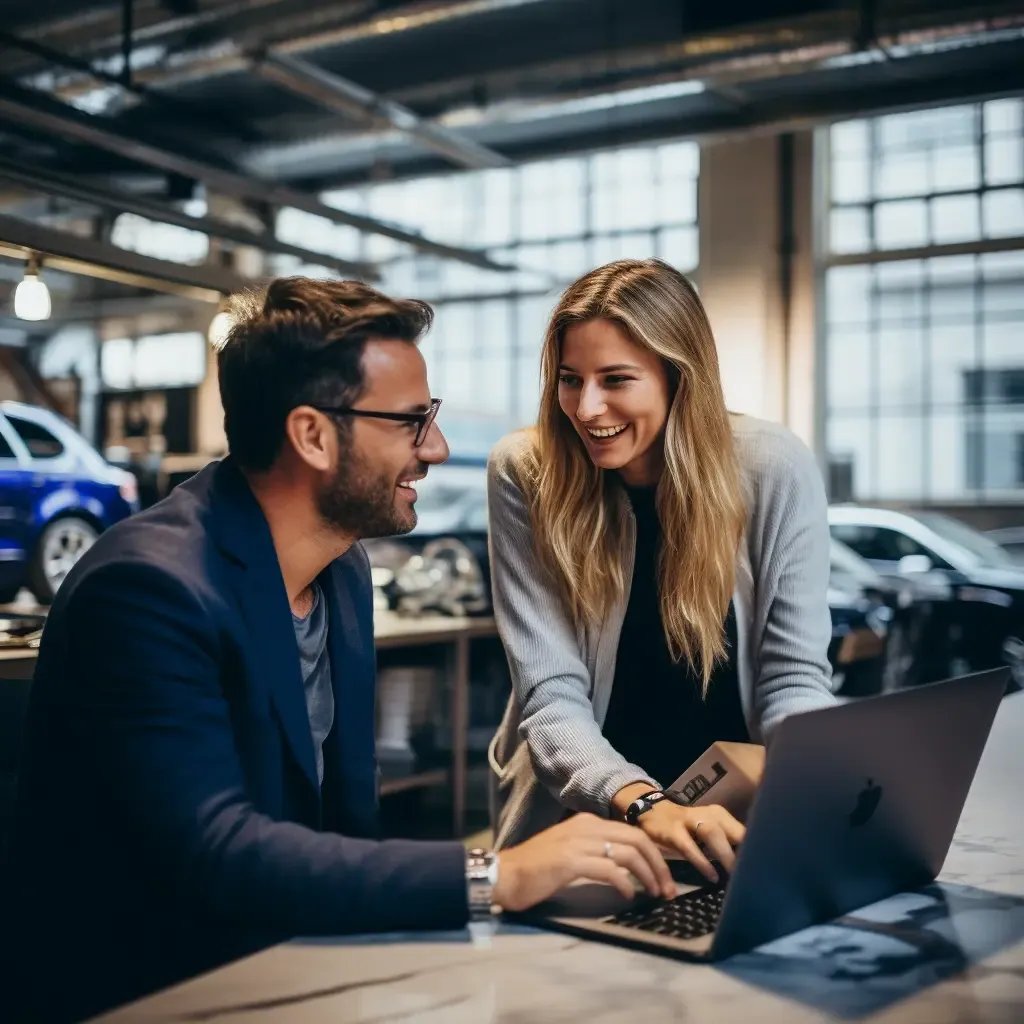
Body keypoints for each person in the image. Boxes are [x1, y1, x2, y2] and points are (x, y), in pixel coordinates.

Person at [5, 277, 675, 1023]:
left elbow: (340, 833)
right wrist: (497, 875)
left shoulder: (340, 569)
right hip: (145, 990)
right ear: (313, 435)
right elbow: (217, 854)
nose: (437, 448)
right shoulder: (146, 590)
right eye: (411, 422)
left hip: (288, 967)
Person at [487, 258, 838, 880]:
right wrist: (645, 802)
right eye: (571, 379)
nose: (588, 408)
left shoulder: (770, 468)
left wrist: (831, 779)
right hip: (588, 827)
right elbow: (551, 699)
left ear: (680, 377)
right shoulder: (527, 472)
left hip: (733, 824)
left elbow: (793, 681)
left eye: (616, 379)